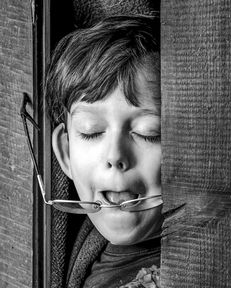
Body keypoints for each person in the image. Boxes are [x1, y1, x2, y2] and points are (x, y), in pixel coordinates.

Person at [44, 15, 162, 288]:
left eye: (148, 133)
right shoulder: (88, 251)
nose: (115, 156)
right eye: (91, 131)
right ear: (65, 152)